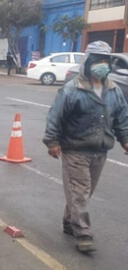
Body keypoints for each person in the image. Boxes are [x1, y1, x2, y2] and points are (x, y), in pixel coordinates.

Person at [43, 41, 128, 253]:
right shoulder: (72, 89)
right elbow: (55, 117)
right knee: (80, 191)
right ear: (88, 62)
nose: (101, 65)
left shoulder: (114, 90)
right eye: (97, 60)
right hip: (75, 149)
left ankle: (69, 221)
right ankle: (83, 233)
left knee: (83, 192)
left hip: (100, 150)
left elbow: (122, 118)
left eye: (105, 61)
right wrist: (52, 142)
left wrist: (125, 140)